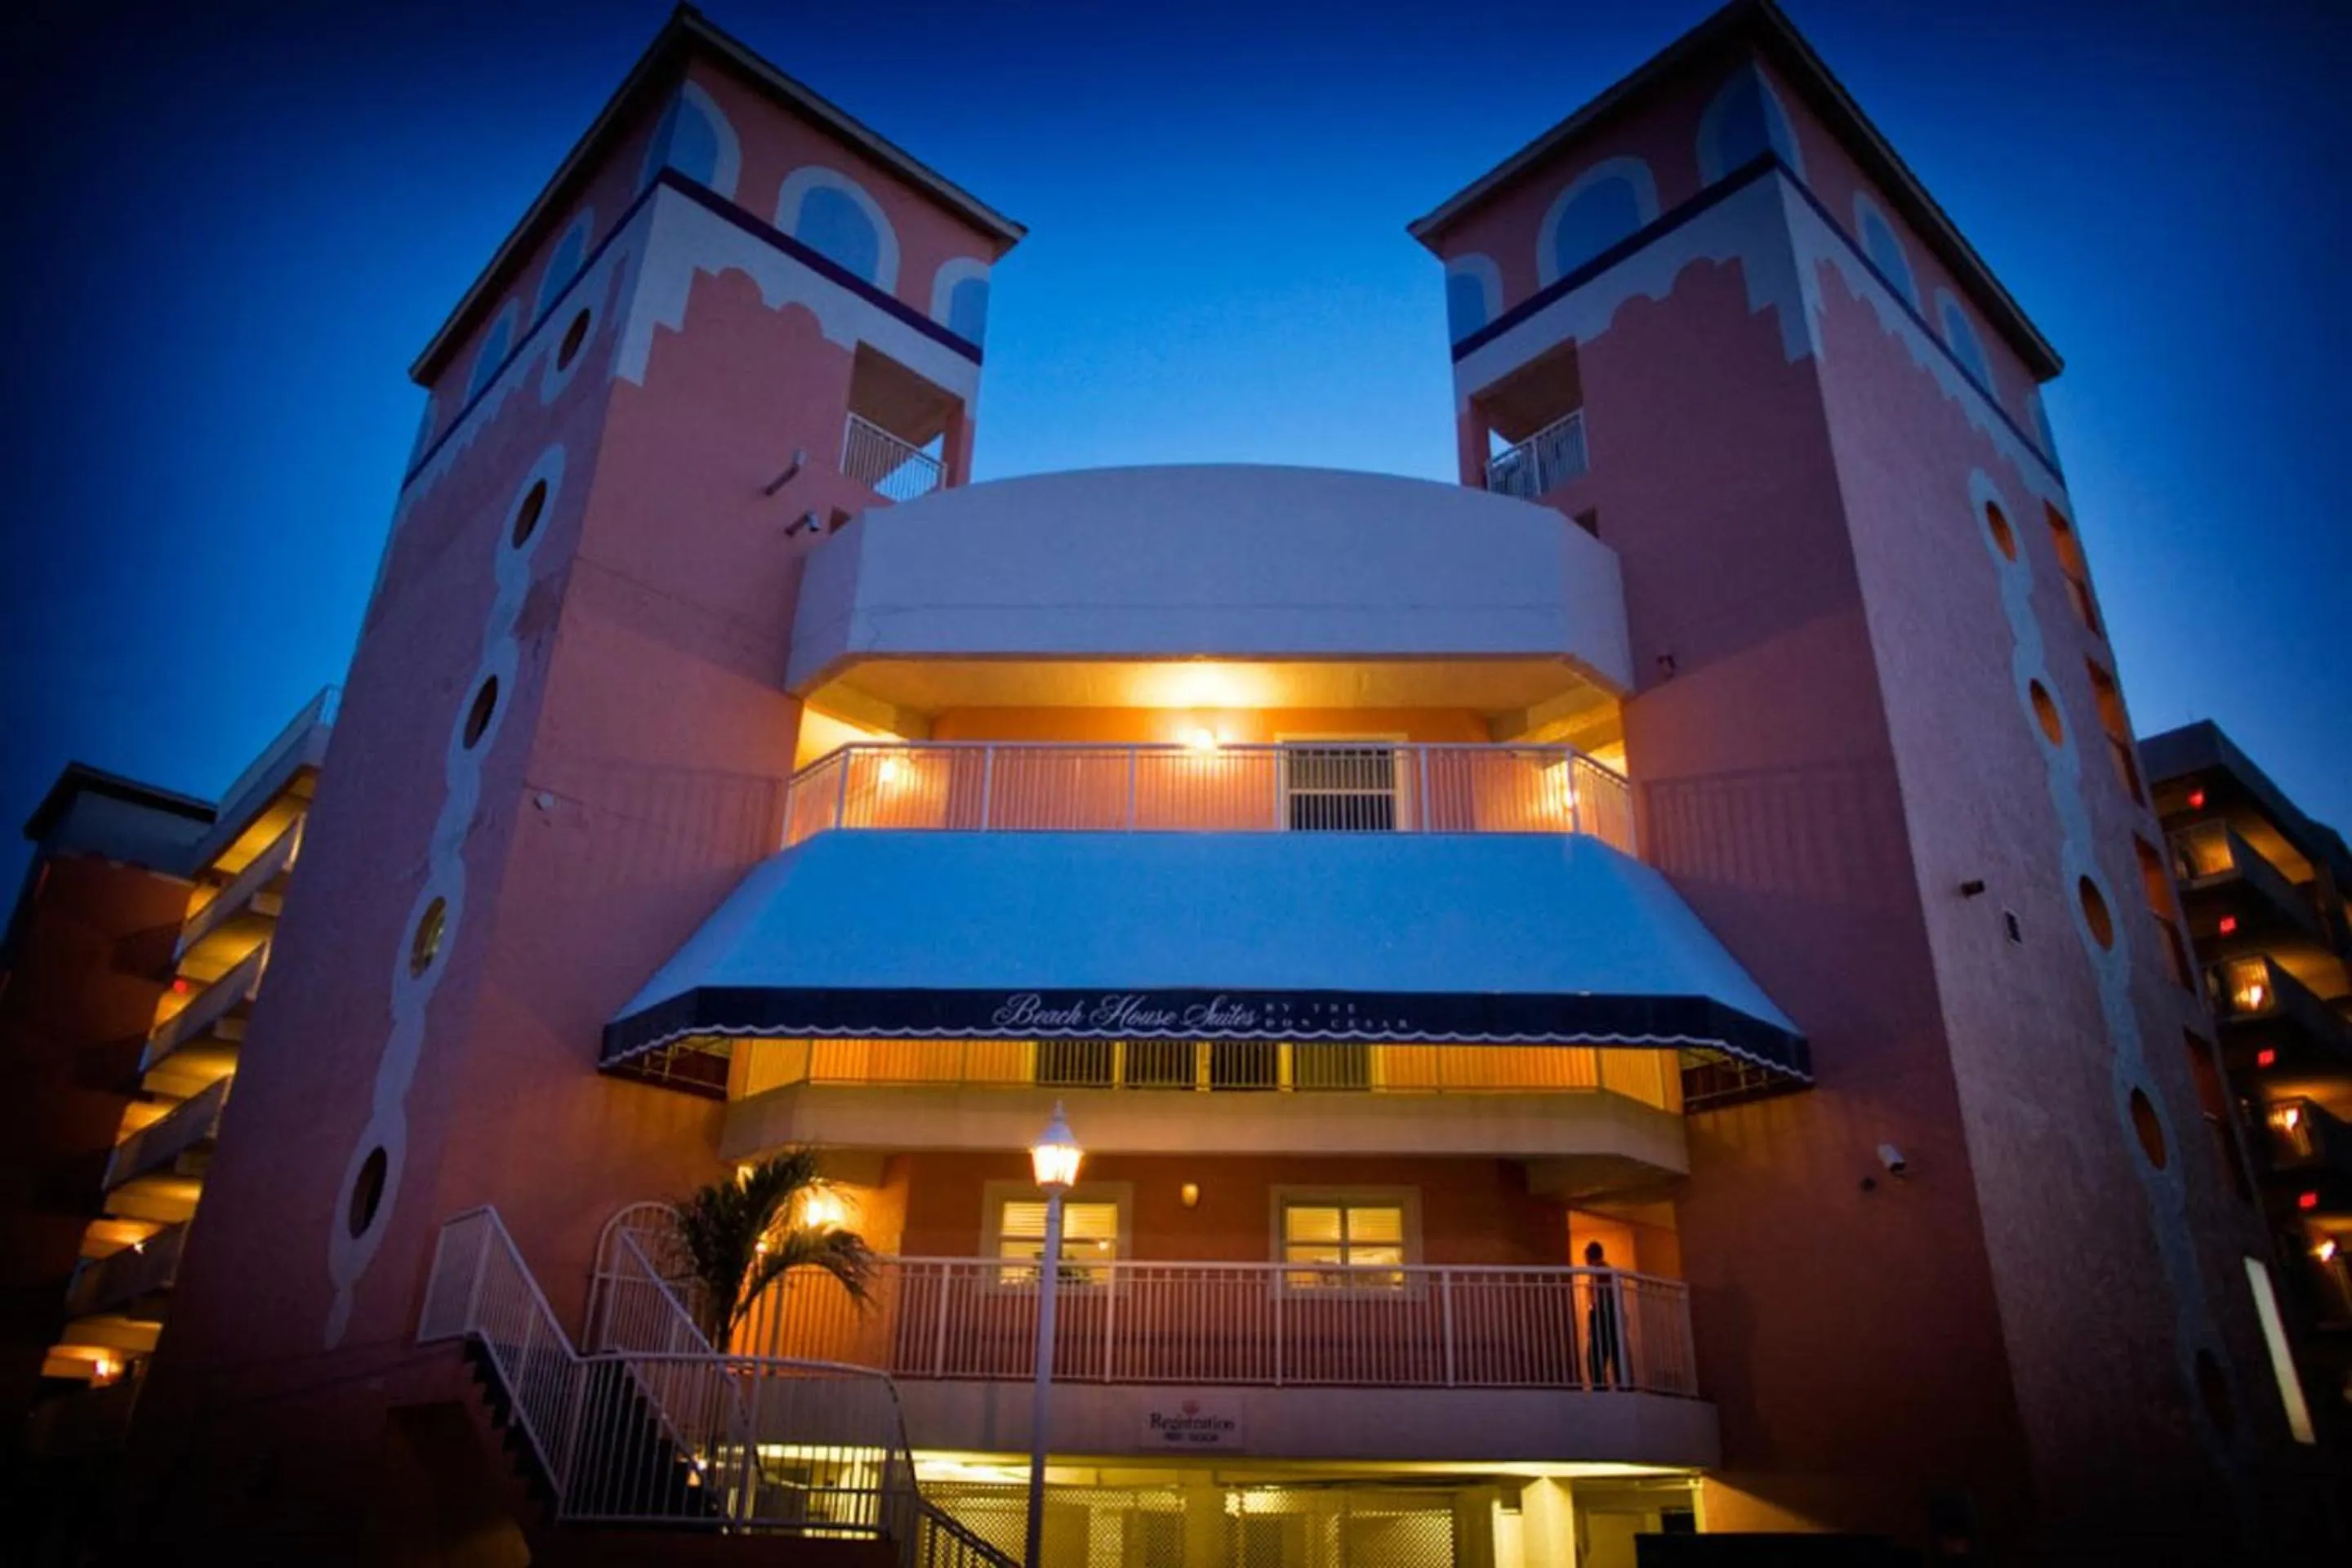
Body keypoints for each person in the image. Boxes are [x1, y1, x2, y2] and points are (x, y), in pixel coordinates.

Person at [1583, 1240, 1621, 1389]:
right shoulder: (1602, 1270)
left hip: (1603, 1315)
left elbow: (1601, 1295)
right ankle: (1612, 1384)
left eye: (1586, 1255)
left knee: (1595, 1354)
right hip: (1604, 1315)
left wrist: (1594, 1316)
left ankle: (1601, 1386)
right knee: (1608, 1351)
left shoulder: (1601, 1271)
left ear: (1590, 1255)